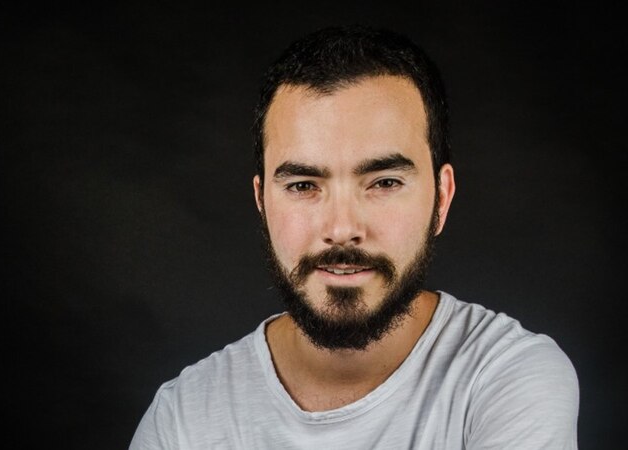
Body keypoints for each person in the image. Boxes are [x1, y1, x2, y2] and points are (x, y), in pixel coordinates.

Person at [129, 24, 579, 449]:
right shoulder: (184, 417)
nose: (342, 229)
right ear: (262, 201)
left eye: (384, 182)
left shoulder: (507, 376)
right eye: (303, 186)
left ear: (441, 199)